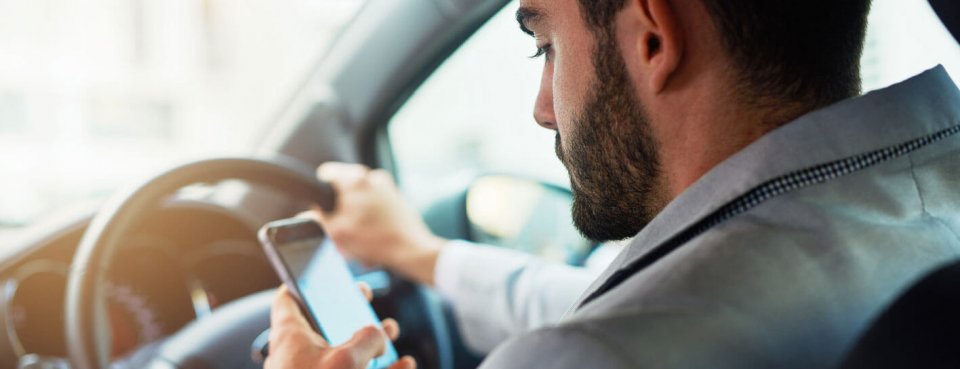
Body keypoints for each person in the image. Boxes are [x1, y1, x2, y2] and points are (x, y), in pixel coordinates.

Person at [267, 0, 960, 368]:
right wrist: (420, 253)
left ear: (653, 36)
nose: (542, 106)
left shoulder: (591, 355)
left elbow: (614, 326)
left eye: (546, 46)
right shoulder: (934, 199)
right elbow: (618, 296)